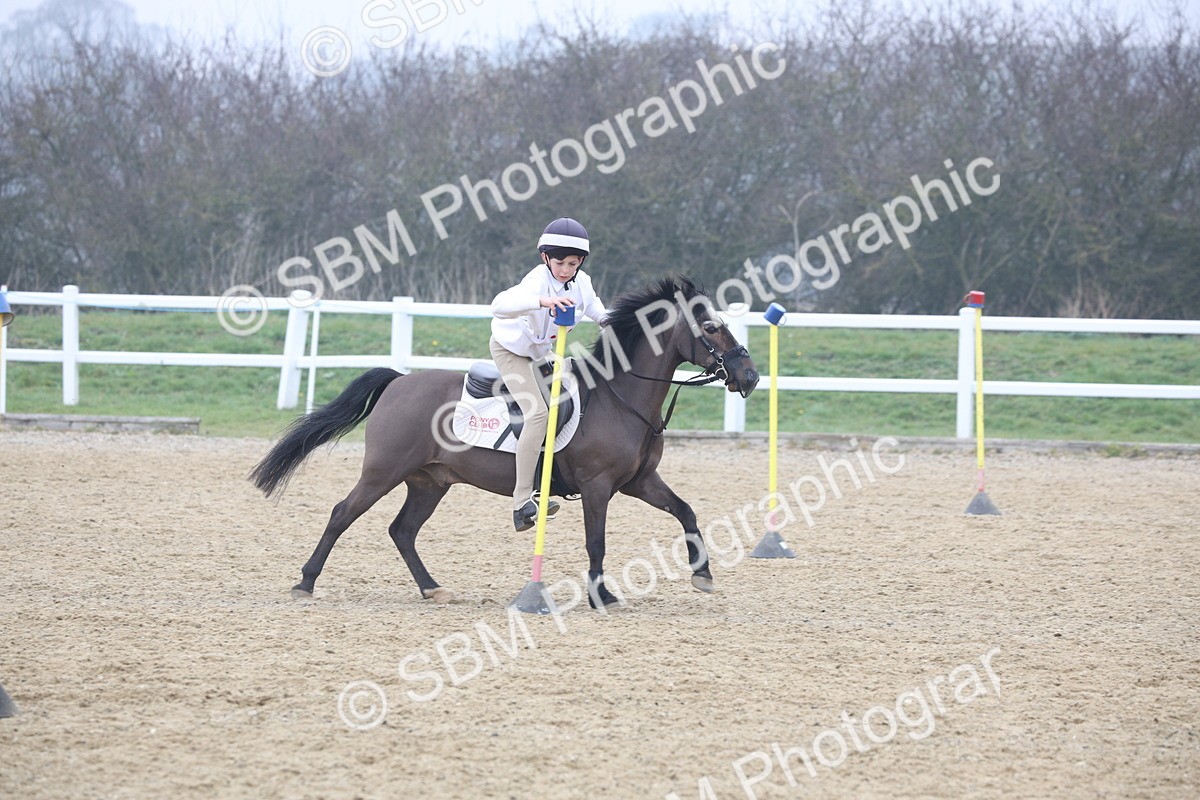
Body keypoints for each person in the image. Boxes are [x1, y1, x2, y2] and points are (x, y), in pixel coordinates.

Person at [490, 217, 609, 531]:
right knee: (539, 414)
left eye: (573, 263)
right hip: (511, 352)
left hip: (543, 355)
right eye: (560, 263)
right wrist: (543, 301)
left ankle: (550, 481)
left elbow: (593, 305)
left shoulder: (582, 282)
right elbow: (499, 305)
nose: (566, 270)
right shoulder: (535, 281)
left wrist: (609, 321)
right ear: (545, 258)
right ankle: (520, 503)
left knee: (571, 402)